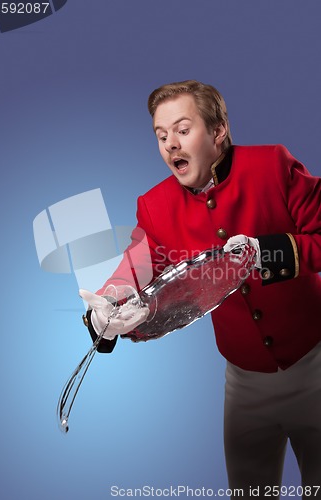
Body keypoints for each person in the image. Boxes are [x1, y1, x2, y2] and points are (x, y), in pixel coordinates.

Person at [80, 80, 321, 497]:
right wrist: (109, 305)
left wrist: (264, 253)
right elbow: (134, 268)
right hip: (244, 386)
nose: (171, 143)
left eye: (183, 129)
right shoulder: (154, 207)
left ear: (218, 131)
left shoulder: (273, 165)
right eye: (161, 135)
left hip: (315, 367)